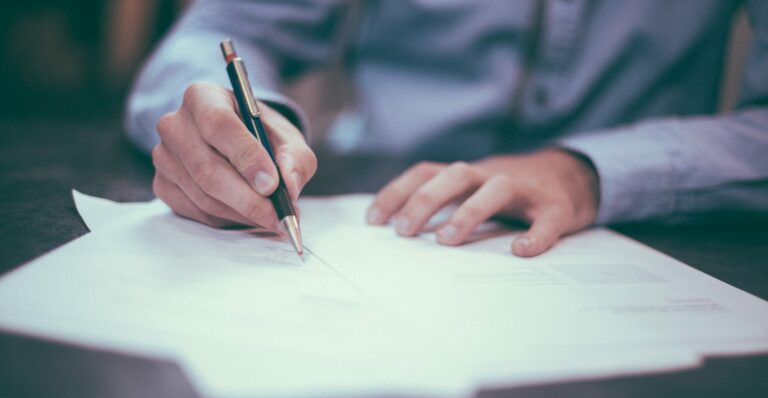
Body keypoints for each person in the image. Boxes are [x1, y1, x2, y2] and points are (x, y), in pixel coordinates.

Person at [125, 0, 768, 257]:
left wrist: (589, 170)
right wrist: (246, 123)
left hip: (645, 232)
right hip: (378, 204)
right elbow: (218, 32)